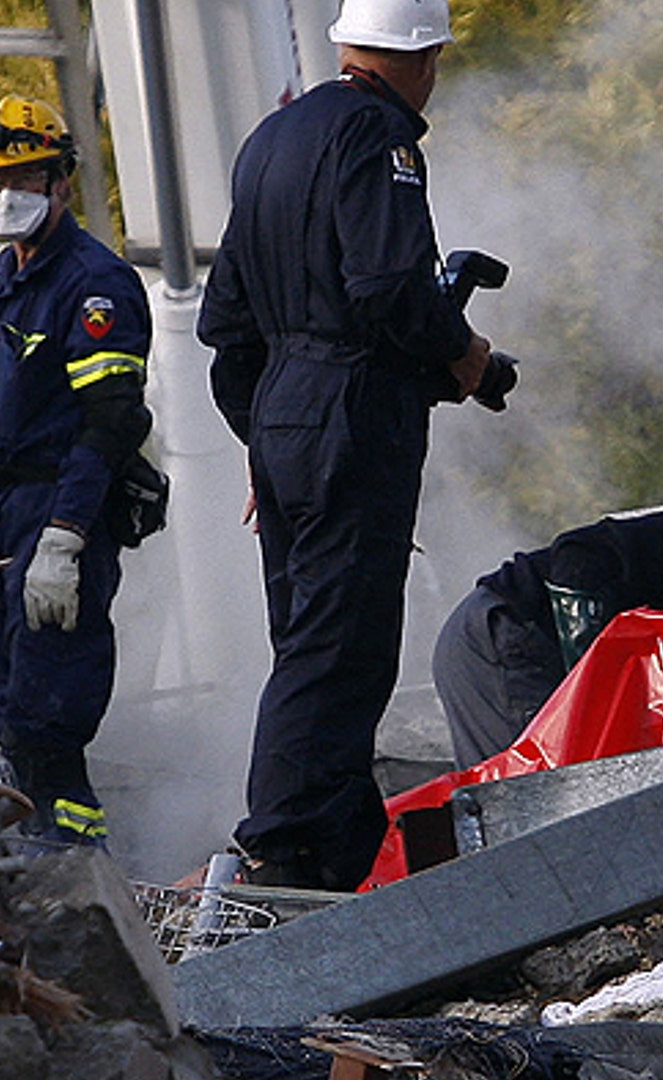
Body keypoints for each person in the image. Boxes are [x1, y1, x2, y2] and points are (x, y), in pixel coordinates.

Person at [196, 0, 497, 891]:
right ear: (420, 55)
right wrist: (464, 354)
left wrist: (265, 440)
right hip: (350, 415)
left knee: (308, 640)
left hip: (285, 414)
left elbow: (228, 325)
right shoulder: (379, 139)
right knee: (344, 645)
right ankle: (289, 859)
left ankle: (316, 846)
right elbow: (388, 288)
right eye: (435, 59)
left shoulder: (270, 141)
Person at [0, 95, 153, 850]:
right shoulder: (1, 280)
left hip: (53, 511)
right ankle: (33, 857)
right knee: (11, 714)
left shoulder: (95, 284)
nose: (7, 193)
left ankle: (76, 861)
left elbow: (111, 424)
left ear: (62, 182)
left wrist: (67, 536)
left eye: (27, 176)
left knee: (49, 721)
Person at [432, 500, 663, 768]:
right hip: (508, 633)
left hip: (497, 642)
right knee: (542, 808)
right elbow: (579, 557)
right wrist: (588, 689)